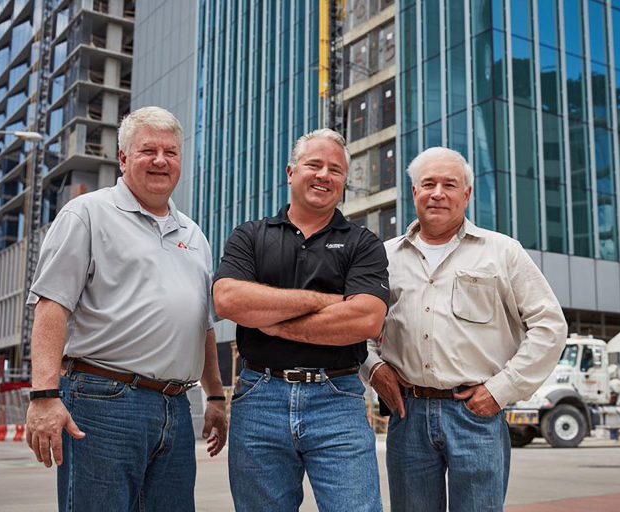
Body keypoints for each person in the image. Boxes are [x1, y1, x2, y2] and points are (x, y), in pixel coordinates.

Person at [24, 106, 227, 512]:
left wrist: (216, 396)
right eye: (147, 150)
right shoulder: (87, 214)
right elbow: (51, 307)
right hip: (104, 401)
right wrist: (44, 395)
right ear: (122, 158)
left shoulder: (194, 234)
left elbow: (200, 324)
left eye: (170, 152)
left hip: (175, 405)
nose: (160, 160)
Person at [364, 147, 567, 512]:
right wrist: (375, 368)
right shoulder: (385, 256)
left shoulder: (502, 252)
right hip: (407, 415)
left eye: (450, 184)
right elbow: (357, 326)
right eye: (428, 184)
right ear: (414, 192)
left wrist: (501, 390)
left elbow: (550, 326)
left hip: (476, 414)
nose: (438, 193)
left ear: (467, 194)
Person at [213, 128, 388, 511]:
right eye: (314, 164)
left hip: (337, 399)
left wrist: (273, 318)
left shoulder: (363, 243)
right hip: (260, 397)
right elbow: (229, 299)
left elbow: (366, 320)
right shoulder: (250, 236)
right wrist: (327, 303)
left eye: (336, 169)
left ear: (345, 182)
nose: (324, 175)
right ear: (291, 172)